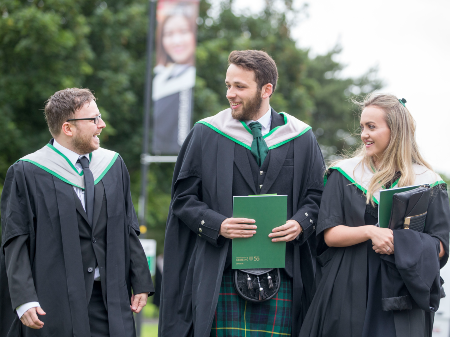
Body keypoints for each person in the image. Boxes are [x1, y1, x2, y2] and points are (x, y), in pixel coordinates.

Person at [159, 50, 325, 337]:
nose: (230, 94)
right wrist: (218, 224)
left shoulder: (301, 137)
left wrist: (300, 222)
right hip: (220, 274)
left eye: (240, 87)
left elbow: (318, 197)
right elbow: (183, 201)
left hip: (284, 275)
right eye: (228, 85)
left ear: (266, 90)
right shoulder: (207, 134)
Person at [0, 88, 154, 337]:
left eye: (99, 116)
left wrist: (141, 282)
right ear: (68, 128)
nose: (101, 124)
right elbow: (15, 239)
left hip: (111, 300)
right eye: (93, 119)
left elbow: (128, 225)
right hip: (54, 303)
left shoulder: (113, 165)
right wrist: (24, 298)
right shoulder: (26, 173)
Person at [300, 94, 450, 337]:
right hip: (348, 287)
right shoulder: (344, 174)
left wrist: (399, 243)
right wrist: (370, 232)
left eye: (371, 127)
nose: (364, 134)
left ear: (397, 131)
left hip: (404, 295)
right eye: (362, 127)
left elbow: (442, 246)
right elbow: (330, 234)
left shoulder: (428, 182)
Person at [152, 3, 198, 154]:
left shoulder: (187, 78)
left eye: (184, 31)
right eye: (169, 34)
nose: (177, 41)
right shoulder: (159, 77)